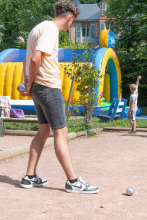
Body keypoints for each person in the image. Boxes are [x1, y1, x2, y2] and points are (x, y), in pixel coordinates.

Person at [18, 0, 98, 194]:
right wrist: (28, 85)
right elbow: (36, 58)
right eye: (72, 22)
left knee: (43, 131)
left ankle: (29, 176)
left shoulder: (38, 27)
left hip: (38, 87)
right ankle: (73, 181)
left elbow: (26, 59)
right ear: (69, 17)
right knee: (60, 133)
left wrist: (28, 84)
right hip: (48, 88)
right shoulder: (52, 30)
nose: (70, 26)